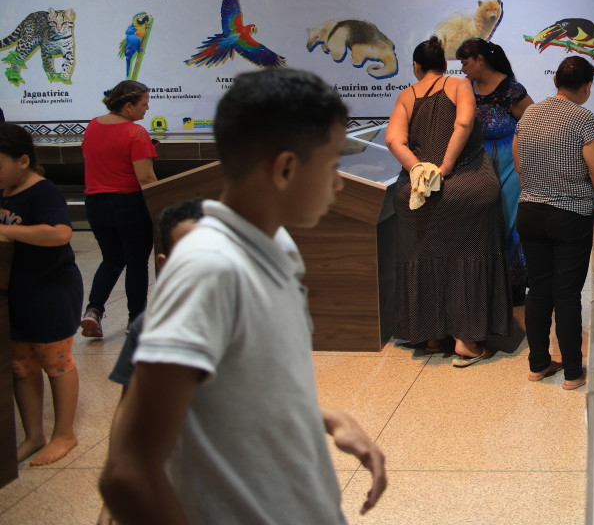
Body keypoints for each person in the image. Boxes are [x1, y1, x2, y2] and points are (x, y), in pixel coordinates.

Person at [99, 68, 387, 524]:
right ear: (286, 168)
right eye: (332, 166)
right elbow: (127, 474)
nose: (338, 184)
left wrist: (325, 418)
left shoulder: (278, 249)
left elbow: (245, 386)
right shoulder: (209, 267)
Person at [385, 36, 510, 366]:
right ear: (444, 65)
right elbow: (464, 122)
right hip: (468, 185)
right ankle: (466, 341)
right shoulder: (459, 85)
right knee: (468, 257)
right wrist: (446, 166)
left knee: (425, 256)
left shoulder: (406, 96)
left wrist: (419, 170)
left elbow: (394, 140)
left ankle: (431, 335)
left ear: (416, 67)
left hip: (418, 194)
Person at [97, 196, 203, 525]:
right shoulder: (150, 328)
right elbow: (127, 407)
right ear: (164, 263)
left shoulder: (253, 316)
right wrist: (115, 485)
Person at [513, 57, 594, 391]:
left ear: (555, 81)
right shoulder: (584, 119)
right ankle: (571, 372)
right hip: (570, 216)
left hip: (530, 212)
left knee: (538, 289)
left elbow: (519, 163)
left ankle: (538, 364)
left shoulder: (529, 114)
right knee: (567, 294)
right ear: (587, 86)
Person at [0, 123, 83, 466]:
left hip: (51, 290)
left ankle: (64, 433)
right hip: (16, 292)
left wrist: (6, 230)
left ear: (23, 161)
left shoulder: (42, 191)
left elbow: (60, 233)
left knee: (56, 362)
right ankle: (33, 434)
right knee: (21, 365)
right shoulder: (4, 191)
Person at [455, 38, 533, 303]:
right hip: (476, 163)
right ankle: (486, 284)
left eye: (465, 62)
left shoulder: (511, 90)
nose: (462, 68)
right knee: (481, 222)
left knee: (510, 221)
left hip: (510, 164)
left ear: (480, 60)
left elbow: (531, 123)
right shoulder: (465, 89)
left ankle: (514, 284)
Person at [80, 81, 158, 339]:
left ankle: (93, 311)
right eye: (144, 104)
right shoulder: (135, 132)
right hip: (128, 204)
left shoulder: (93, 126)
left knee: (112, 259)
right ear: (128, 106)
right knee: (136, 262)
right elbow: (145, 177)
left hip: (95, 203)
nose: (147, 109)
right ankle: (136, 321)